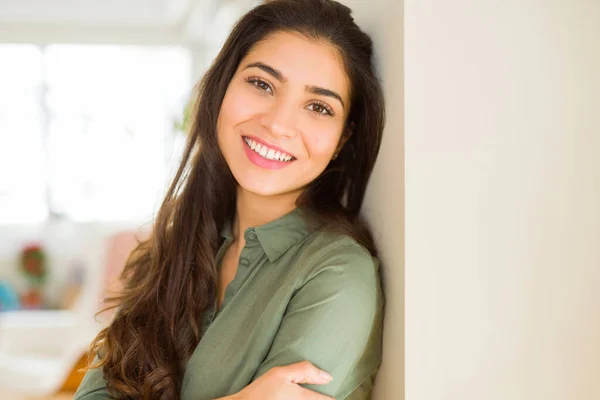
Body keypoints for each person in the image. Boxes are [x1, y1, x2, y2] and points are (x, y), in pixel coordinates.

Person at [74, 0, 385, 399]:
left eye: (318, 106)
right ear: (221, 87)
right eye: (261, 84)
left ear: (343, 138)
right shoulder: (167, 253)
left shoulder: (337, 275)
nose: (277, 123)